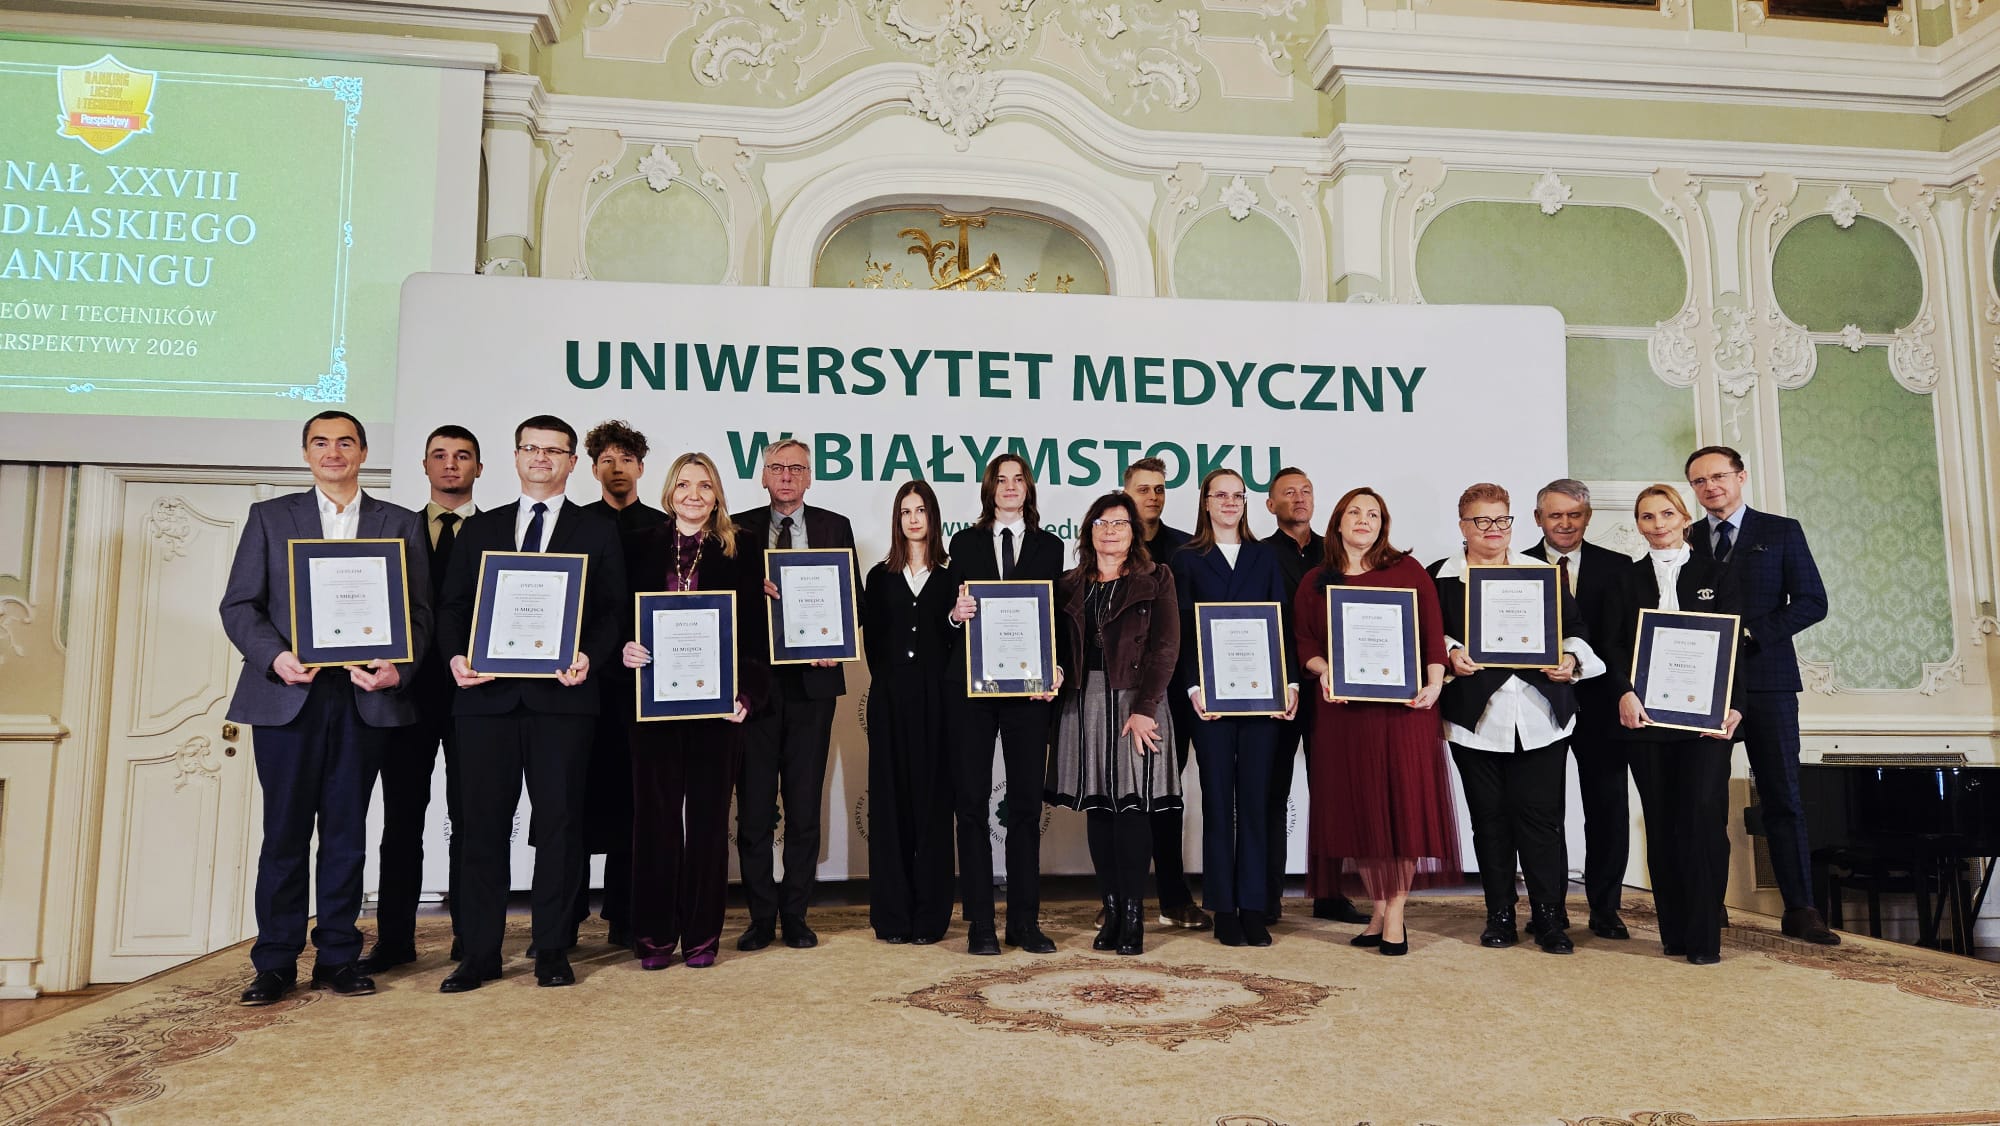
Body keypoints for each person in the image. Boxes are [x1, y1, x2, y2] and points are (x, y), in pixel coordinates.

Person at [220, 410, 431, 1005]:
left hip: (364, 698)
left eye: (344, 442)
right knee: (284, 834)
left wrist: (400, 668)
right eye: (320, 442)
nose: (332, 452)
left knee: (346, 833)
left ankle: (339, 956)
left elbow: (419, 613)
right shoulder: (269, 518)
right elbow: (239, 605)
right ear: (306, 453)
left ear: (363, 453)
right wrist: (275, 657)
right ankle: (275, 961)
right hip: (289, 694)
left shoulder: (401, 523)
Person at [434, 415, 628, 992]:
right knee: (481, 828)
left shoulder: (597, 531)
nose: (542, 458)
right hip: (485, 699)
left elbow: (613, 611)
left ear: (572, 462)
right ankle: (480, 953)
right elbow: (452, 607)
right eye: (531, 448)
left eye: (554, 450)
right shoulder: (480, 528)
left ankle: (552, 948)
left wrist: (589, 655)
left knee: (562, 827)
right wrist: (455, 657)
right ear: (516, 457)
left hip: (563, 701)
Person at [1430, 483, 1603, 955]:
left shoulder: (1542, 573)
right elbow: (1426, 635)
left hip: (1540, 715)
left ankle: (1549, 917)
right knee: (1489, 822)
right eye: (1482, 521)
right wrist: (1451, 651)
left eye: (1501, 519)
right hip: (1475, 721)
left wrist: (1570, 659)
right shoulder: (1440, 577)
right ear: (1463, 526)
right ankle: (1500, 915)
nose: (1494, 529)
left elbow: (1575, 630)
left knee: (1542, 821)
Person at [1684, 445, 1837, 945]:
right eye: (1700, 481)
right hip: (1705, 688)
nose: (1711, 487)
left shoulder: (1781, 531)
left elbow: (1813, 602)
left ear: (1741, 476)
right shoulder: (1685, 538)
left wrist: (1751, 635)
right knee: (1704, 799)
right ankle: (1710, 903)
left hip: (1769, 681)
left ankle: (1802, 909)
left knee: (1783, 797)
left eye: (1719, 476)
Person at [1295, 487, 1457, 957]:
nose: (1363, 520)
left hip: (1404, 713)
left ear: (1383, 524)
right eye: (1354, 512)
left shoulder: (1407, 571)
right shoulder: (1316, 581)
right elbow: (1305, 644)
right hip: (1345, 715)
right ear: (1338, 522)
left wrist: (1435, 683)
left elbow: (1432, 636)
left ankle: (1396, 915)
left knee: (1402, 813)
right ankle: (1379, 910)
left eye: (1373, 514)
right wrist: (1325, 671)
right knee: (1360, 816)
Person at [621, 452, 766, 969]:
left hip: (716, 707)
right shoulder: (637, 543)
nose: (693, 495)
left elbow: (755, 630)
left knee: (707, 824)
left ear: (717, 494)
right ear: (669, 491)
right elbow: (615, 614)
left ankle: (702, 937)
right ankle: (655, 937)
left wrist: (747, 694)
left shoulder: (742, 546)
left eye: (705, 486)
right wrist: (623, 649)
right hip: (652, 704)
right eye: (684, 485)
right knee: (655, 823)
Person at [1601, 485, 1744, 965]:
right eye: (1647, 516)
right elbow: (1612, 646)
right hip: (1646, 719)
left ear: (1685, 518)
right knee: (1661, 823)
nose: (1658, 524)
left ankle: (1704, 937)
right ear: (1638, 525)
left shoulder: (1719, 573)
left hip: (1707, 722)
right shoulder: (1625, 579)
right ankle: (1675, 933)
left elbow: (1739, 645)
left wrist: (1736, 707)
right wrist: (1623, 692)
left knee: (1702, 819)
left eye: (1667, 514)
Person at [361, 424, 478, 974]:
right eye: (440, 455)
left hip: (475, 694)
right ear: (425, 466)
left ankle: (470, 935)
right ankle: (394, 939)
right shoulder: (395, 532)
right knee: (402, 820)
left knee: (471, 819)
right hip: (406, 694)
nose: (450, 464)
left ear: (479, 468)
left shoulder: (497, 532)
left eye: (462, 456)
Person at [731, 438, 856, 952]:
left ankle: (796, 914)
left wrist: (835, 641)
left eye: (797, 468)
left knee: (804, 807)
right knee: (755, 808)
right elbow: (721, 606)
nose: (786, 476)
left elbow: (852, 599)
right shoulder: (735, 529)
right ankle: (761, 916)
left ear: (810, 477)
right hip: (755, 687)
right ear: (763, 476)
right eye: (777, 468)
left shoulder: (835, 526)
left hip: (812, 686)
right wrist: (749, 592)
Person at [1045, 491, 1181, 955]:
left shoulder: (1156, 578)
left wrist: (1145, 707)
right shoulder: (1068, 584)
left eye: (1119, 523)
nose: (1110, 531)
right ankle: (1111, 909)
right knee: (1100, 808)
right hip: (1083, 699)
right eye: (1101, 523)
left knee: (1133, 808)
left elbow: (1166, 647)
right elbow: (1054, 644)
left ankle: (1133, 916)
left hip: (1136, 701)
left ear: (1133, 532)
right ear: (1088, 531)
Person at [947, 453, 1065, 955]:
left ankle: (1024, 922)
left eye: (1018, 479)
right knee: (971, 805)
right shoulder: (964, 543)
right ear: (989, 488)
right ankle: (980, 923)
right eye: (1001, 479)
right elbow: (948, 614)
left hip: (1029, 694)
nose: (1010, 487)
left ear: (1028, 488)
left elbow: (1057, 615)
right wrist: (955, 615)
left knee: (1024, 807)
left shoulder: (1049, 546)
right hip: (974, 692)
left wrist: (1057, 667)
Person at [1170, 469, 1294, 946]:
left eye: (1237, 495)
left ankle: (1254, 906)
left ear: (1246, 502)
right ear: (1205, 502)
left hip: (1262, 697)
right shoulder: (1187, 559)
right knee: (1219, 802)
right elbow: (1181, 630)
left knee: (1258, 802)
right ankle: (1224, 907)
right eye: (1219, 495)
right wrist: (1193, 687)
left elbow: (1281, 622)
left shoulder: (1265, 556)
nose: (1228, 502)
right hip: (1211, 702)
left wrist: (1288, 683)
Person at [565, 419, 668, 950]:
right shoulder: (577, 525)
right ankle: (566, 915)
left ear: (641, 468)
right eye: (607, 459)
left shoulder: (663, 528)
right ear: (592, 468)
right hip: (584, 679)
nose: (617, 467)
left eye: (626, 459)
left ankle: (626, 915)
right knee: (577, 798)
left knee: (635, 802)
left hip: (644, 683)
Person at [1528, 479, 1636, 941]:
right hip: (1540, 703)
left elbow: (1625, 639)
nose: (1566, 523)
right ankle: (1548, 907)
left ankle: (1606, 908)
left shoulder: (1619, 567)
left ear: (1588, 517)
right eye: (1555, 515)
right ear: (1538, 519)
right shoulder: (1518, 566)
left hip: (1602, 706)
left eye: (1574, 514)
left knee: (1607, 808)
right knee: (1543, 812)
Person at [1261, 467, 1367, 926]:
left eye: (1306, 491)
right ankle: (1266, 895)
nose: (1299, 498)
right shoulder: (1258, 554)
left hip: (1332, 689)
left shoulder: (1337, 553)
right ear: (1271, 505)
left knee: (1331, 792)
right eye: (1289, 492)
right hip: (1276, 688)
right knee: (1271, 792)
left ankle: (1329, 893)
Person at [860, 480, 959, 945]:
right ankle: (893, 917)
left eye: (920, 510)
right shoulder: (879, 577)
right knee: (890, 806)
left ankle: (931, 917)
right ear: (897, 520)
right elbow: (873, 646)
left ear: (933, 517)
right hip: (890, 702)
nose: (913, 519)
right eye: (905, 511)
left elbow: (960, 644)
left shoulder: (953, 577)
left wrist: (954, 621)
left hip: (939, 703)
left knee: (934, 807)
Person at [1123, 457, 1207, 932]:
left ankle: (1174, 897)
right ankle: (1123, 896)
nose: (1152, 496)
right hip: (1124, 692)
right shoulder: (1111, 542)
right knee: (1126, 797)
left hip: (1176, 690)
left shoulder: (1186, 549)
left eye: (1159, 489)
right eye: (1143, 489)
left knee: (1168, 795)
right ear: (1126, 492)